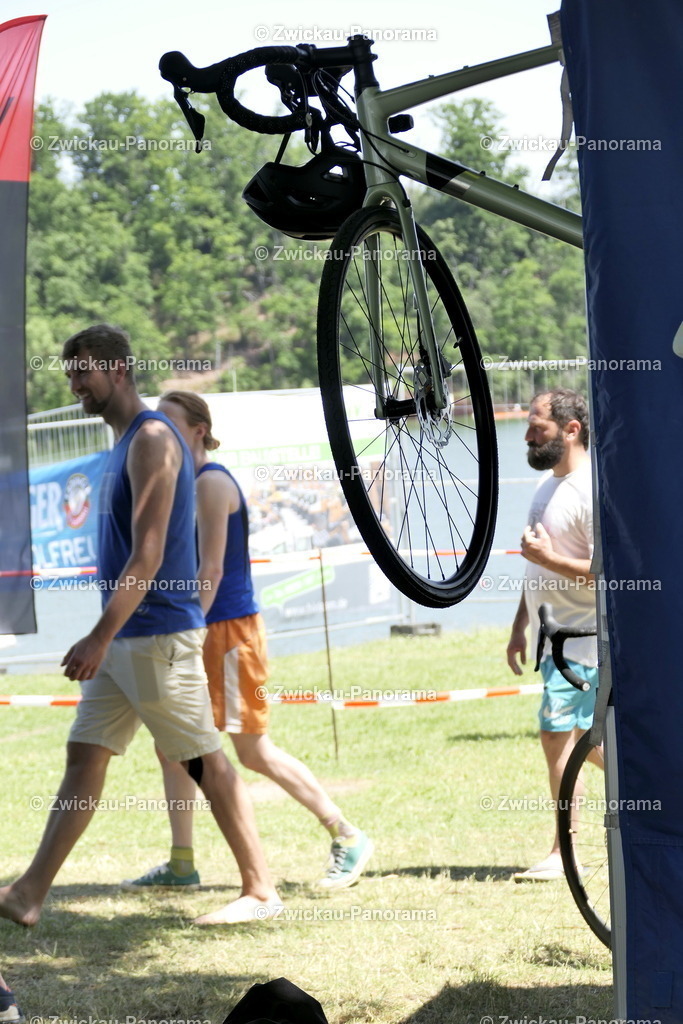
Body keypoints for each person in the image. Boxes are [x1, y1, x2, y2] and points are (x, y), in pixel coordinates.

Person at [0, 324, 281, 927]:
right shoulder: (122, 442)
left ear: (119, 371)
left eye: (84, 371)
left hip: (155, 635)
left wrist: (98, 634)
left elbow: (148, 555)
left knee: (205, 759)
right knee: (84, 755)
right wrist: (107, 636)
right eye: (70, 373)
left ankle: (259, 889)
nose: (75, 384)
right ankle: (29, 893)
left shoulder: (152, 437)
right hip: (127, 640)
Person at [123, 390, 373, 894]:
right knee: (171, 748)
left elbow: (210, 570)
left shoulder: (212, 484)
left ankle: (347, 835)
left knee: (253, 750)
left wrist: (185, 629)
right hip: (194, 626)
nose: (160, 433)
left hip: (228, 631)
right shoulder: (182, 485)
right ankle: (181, 863)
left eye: (170, 423)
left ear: (197, 429)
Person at [506, 388, 598, 882]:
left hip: (583, 640)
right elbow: (534, 571)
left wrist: (548, 560)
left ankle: (565, 853)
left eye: (537, 427)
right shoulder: (547, 487)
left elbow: (610, 575)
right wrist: (520, 626)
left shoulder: (591, 490)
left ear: (571, 430)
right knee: (593, 743)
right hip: (552, 641)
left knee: (558, 738)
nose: (526, 435)